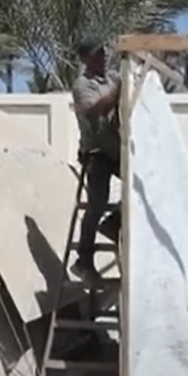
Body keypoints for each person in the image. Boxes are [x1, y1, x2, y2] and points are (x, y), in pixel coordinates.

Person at [70, 39, 122, 286]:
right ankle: (84, 260)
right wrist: (116, 94)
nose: (103, 57)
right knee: (97, 204)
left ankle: (114, 223)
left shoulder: (112, 79)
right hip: (96, 152)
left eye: (103, 52)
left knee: (145, 185)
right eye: (97, 54)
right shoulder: (83, 85)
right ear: (85, 59)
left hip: (115, 150)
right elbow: (94, 111)